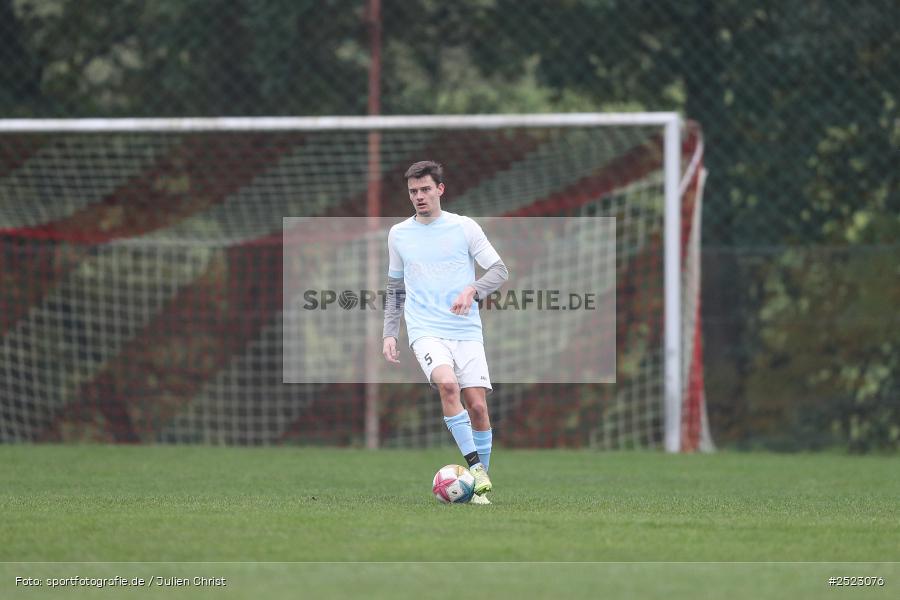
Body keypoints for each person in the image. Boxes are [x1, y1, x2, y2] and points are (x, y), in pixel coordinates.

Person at [382, 160, 508, 505]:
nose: (419, 197)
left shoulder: (464, 227)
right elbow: (395, 286)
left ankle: (480, 483)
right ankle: (476, 470)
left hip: (466, 331)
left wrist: (472, 291)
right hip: (425, 329)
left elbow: (499, 270)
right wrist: (390, 332)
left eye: (425, 190)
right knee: (448, 385)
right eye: (413, 192)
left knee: (478, 408)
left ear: (440, 189)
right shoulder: (398, 234)